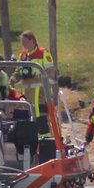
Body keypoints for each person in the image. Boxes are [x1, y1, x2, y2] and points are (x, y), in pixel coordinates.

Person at [17, 30, 57, 160]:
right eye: (22, 42)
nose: (23, 45)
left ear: (32, 40)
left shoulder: (43, 53)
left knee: (43, 125)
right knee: (27, 125)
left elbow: (51, 74)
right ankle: (30, 155)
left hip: (40, 97)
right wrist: (12, 79)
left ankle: (47, 154)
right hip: (27, 98)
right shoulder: (23, 56)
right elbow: (18, 72)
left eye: (25, 42)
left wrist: (35, 76)